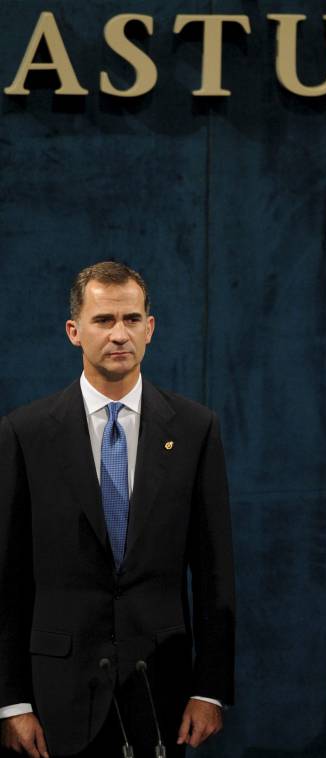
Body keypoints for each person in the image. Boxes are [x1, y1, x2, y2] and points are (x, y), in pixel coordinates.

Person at [0, 262, 234, 758]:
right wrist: (11, 702)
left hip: (160, 695)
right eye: (104, 320)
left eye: (131, 319)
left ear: (150, 328)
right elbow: (7, 579)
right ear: (74, 332)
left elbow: (216, 574)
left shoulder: (196, 430)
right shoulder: (25, 433)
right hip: (54, 700)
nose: (119, 334)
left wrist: (209, 688)